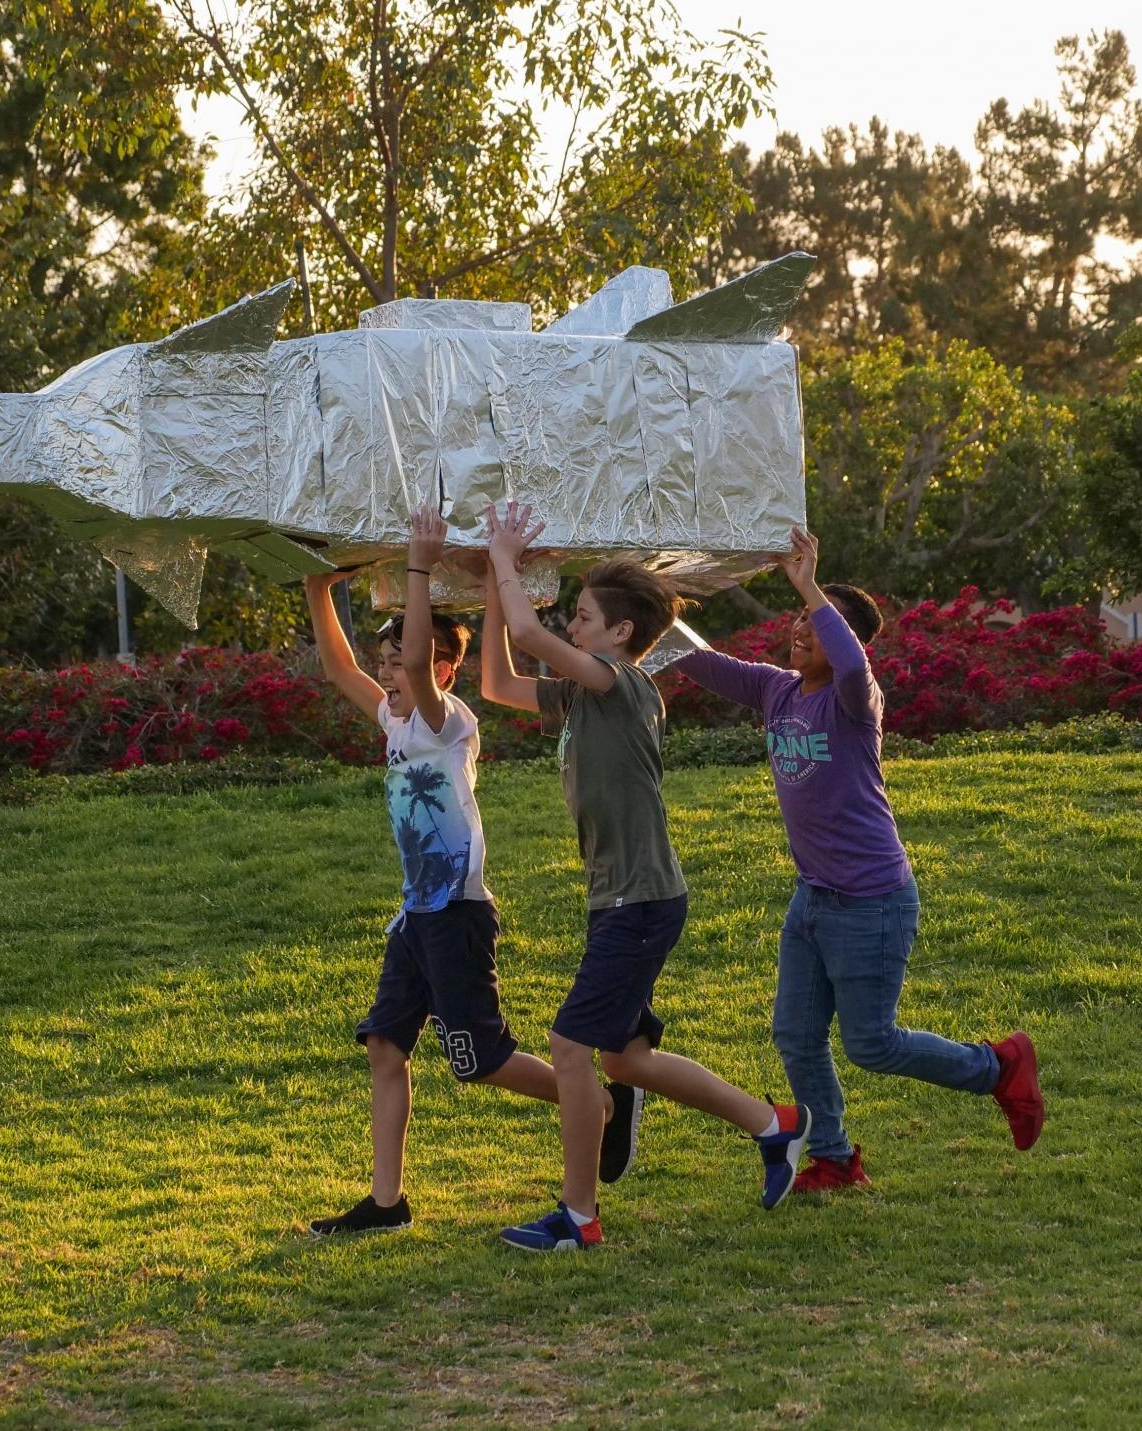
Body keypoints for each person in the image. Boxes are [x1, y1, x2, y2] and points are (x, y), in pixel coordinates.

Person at [477, 499, 809, 1252]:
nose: (573, 626)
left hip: (640, 901)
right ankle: (776, 1125)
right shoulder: (585, 692)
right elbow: (499, 679)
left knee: (568, 1046)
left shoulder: (621, 686)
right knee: (627, 1058)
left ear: (621, 634)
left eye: (585, 616)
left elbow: (531, 633)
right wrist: (494, 587)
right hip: (625, 899)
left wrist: (502, 555)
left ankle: (579, 1219)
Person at [672, 526, 1044, 1194]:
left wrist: (810, 586)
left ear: (847, 636)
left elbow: (848, 665)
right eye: (798, 621)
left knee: (872, 1044)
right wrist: (651, 596)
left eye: (817, 622)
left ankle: (999, 1067)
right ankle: (836, 1159)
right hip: (812, 898)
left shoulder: (853, 699)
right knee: (796, 1035)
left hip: (871, 901)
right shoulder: (776, 691)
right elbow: (694, 660)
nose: (800, 630)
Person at [298, 502, 562, 1236]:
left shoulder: (447, 723)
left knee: (478, 1058)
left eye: (400, 663)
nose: (388, 673)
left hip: (458, 911)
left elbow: (416, 662)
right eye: (383, 664)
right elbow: (336, 666)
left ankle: (591, 1103)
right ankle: (387, 1203)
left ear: (444, 669)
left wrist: (420, 559)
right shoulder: (391, 719)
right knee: (386, 1044)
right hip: (417, 914)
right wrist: (319, 587)